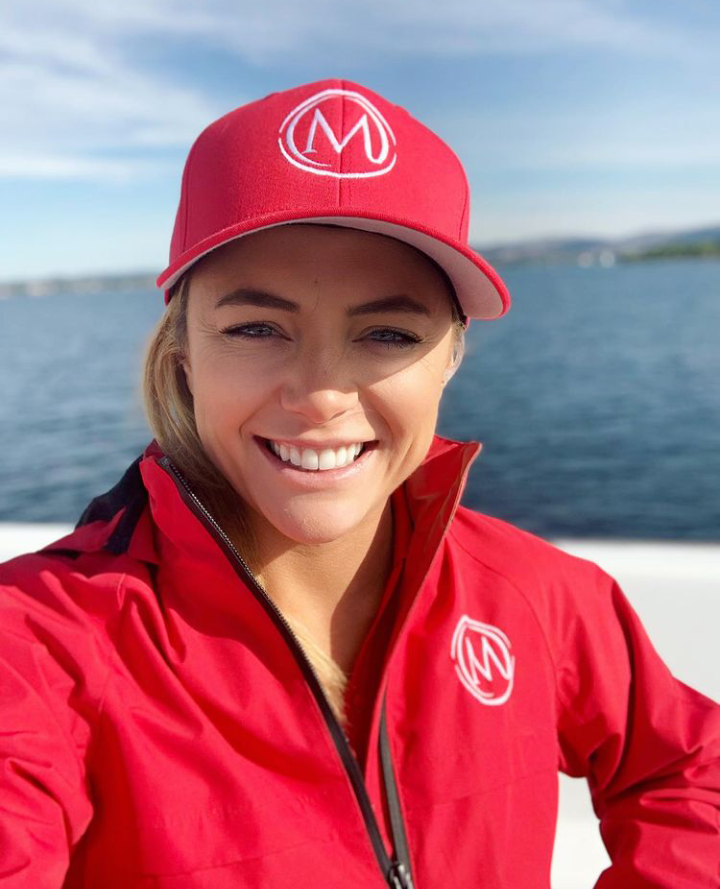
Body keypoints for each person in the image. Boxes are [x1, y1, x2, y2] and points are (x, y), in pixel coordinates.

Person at [1, 78, 718, 889]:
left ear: (450, 358)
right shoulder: (39, 642)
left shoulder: (537, 596)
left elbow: (691, 765)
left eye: (387, 333)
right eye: (256, 327)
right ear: (184, 357)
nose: (320, 394)